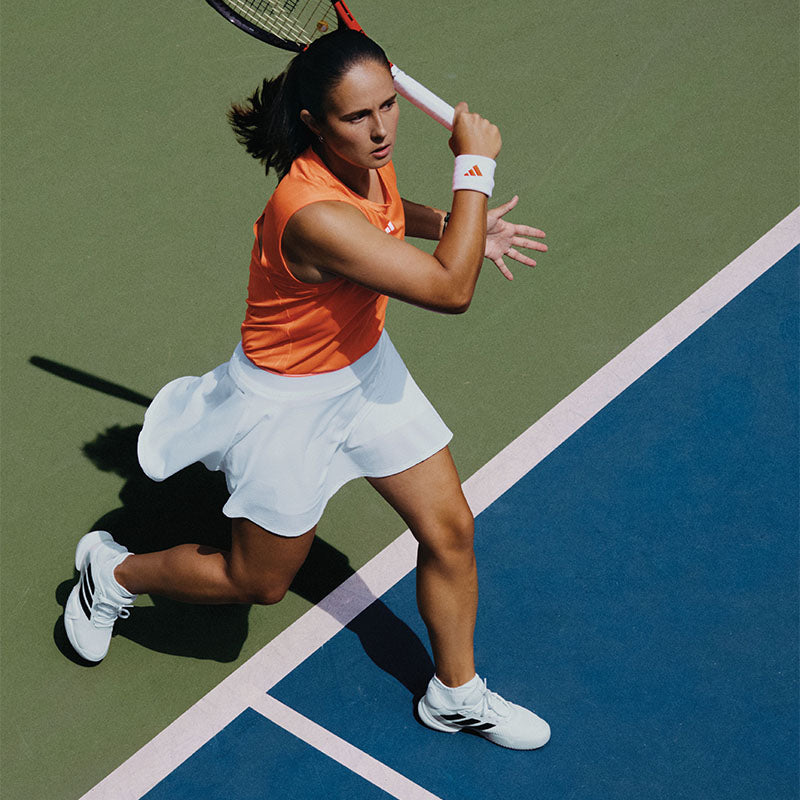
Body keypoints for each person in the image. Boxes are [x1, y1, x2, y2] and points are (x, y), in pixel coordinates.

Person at [64, 29, 550, 750]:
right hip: (285, 408)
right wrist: (473, 171)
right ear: (315, 125)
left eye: (388, 106)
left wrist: (449, 225)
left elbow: (386, 209)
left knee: (450, 531)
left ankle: (455, 693)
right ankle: (113, 572)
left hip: (366, 374)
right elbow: (451, 290)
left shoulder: (363, 159)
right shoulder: (311, 212)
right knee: (254, 581)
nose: (382, 129)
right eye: (358, 117)